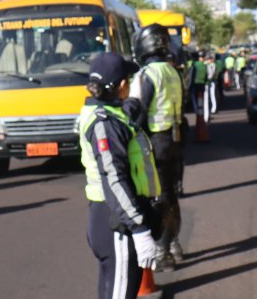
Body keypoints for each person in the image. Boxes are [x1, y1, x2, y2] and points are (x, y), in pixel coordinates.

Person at [79, 53, 162, 299]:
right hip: (118, 222)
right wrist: (138, 227)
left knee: (113, 292)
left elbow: (129, 110)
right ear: (122, 85)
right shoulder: (105, 124)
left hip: (111, 216)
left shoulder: (107, 113)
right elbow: (114, 180)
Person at [129, 23, 185, 269]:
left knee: (159, 197)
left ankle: (163, 250)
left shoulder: (146, 75)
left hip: (156, 142)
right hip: (176, 139)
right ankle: (173, 244)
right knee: (171, 194)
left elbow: (138, 111)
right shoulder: (173, 72)